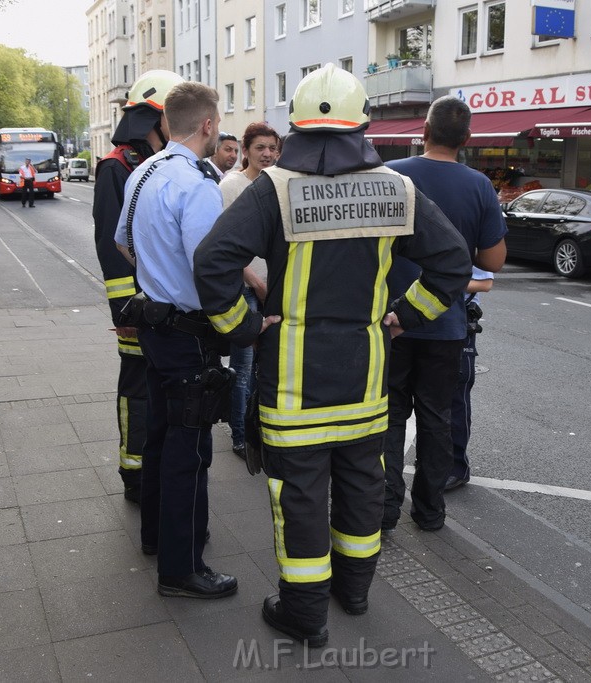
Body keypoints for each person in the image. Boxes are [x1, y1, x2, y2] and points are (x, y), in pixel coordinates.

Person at [193, 64, 471, 647]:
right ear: (362, 124)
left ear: (296, 124)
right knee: (362, 486)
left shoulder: (275, 188)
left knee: (298, 497)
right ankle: (356, 591)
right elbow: (452, 262)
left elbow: (213, 261)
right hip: (367, 375)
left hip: (293, 382)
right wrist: (406, 315)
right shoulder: (397, 187)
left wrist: (242, 327)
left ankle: (304, 612)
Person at [114, 80, 238, 599]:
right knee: (190, 450)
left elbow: (122, 243)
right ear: (207, 124)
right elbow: (210, 267)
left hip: (155, 326)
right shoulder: (196, 184)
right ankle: (182, 569)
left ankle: (156, 539)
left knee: (162, 439)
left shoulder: (142, 171)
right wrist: (242, 325)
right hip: (188, 334)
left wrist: (157, 279)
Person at [382, 95, 507, 534]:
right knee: (436, 416)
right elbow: (493, 261)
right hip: (446, 322)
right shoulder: (478, 186)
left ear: (424, 133)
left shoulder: (393, 176)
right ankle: (430, 511)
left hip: (392, 321)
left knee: (390, 414)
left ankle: (383, 507)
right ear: (467, 139)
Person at [93, 69, 183, 505]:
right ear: (156, 118)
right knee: (136, 390)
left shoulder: (161, 165)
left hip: (165, 308)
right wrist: (125, 312)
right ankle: (135, 472)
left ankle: (159, 466)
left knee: (161, 390)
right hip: (136, 310)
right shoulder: (115, 167)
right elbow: (111, 249)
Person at [217, 122, 279, 461]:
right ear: (246, 151)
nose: (267, 154)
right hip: (246, 291)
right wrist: (256, 281)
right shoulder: (232, 186)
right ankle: (240, 436)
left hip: (271, 291)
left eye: (272, 148)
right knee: (243, 367)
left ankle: (256, 431)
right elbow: (220, 246)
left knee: (261, 367)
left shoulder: (278, 184)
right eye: (260, 148)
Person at [445, 266, 494, 491]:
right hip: (421, 320)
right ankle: (433, 461)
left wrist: (438, 280)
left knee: (456, 398)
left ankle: (456, 468)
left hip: (458, 322)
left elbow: (484, 282)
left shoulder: (465, 233)